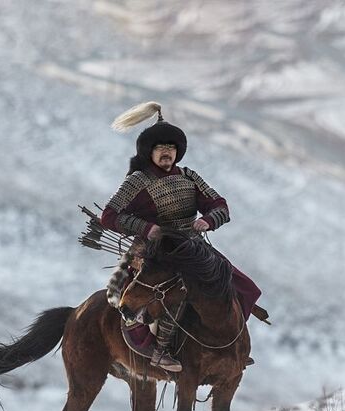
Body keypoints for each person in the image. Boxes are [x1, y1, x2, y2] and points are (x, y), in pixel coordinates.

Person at [101, 102, 261, 372]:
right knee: (172, 294)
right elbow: (110, 215)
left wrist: (207, 220)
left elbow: (220, 205)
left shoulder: (189, 177)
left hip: (191, 246)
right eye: (161, 149)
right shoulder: (137, 181)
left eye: (171, 148)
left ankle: (233, 345)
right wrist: (146, 228)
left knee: (243, 286)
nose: (167, 153)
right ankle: (160, 351)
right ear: (150, 152)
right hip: (154, 250)